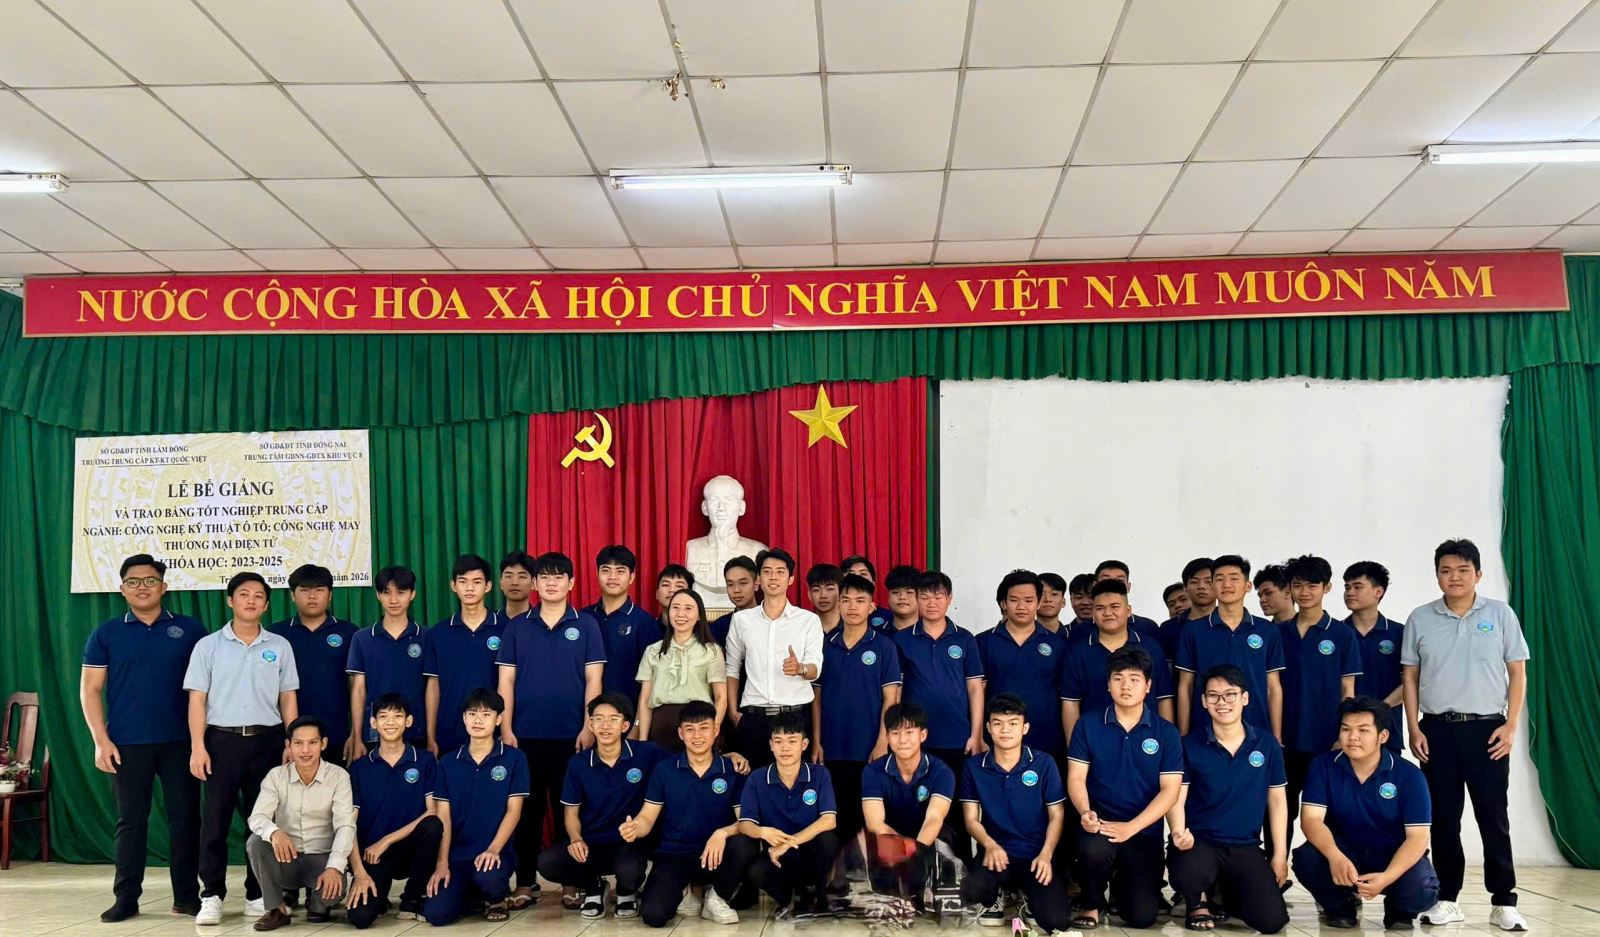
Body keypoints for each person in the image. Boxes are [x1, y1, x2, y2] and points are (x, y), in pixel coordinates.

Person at [1402, 538, 1529, 931]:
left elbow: (1517, 672)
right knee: (1443, 819)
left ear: (1478, 574)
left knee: (1493, 817)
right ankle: (1447, 898)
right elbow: (1410, 676)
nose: (1454, 577)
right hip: (1436, 730)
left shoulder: (1500, 614)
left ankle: (1504, 901)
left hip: (1488, 730)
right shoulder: (1421, 618)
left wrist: (1510, 726)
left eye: (1462, 570)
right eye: (1446, 570)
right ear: (1437, 575)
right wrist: (1414, 727)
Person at [81, 554, 206, 922]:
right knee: (130, 822)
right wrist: (100, 740)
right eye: (133, 581)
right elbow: (90, 690)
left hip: (180, 742)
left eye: (150, 581)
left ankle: (187, 897)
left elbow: (205, 687)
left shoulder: (190, 629)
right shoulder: (106, 633)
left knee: (185, 819)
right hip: (126, 744)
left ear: (163, 587)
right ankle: (126, 899)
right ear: (122, 589)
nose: (142, 587)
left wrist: (201, 741)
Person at [184, 571, 300, 926]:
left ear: (266, 604)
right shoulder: (208, 646)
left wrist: (291, 741)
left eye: (258, 595)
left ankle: (256, 893)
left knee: (262, 821)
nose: (251, 600)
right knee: (215, 822)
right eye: (244, 594)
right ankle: (212, 895)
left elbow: (288, 697)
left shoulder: (279, 646)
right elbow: (197, 700)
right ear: (230, 600)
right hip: (222, 741)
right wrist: (198, 746)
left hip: (267, 742)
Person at [495, 550, 606, 907]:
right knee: (526, 813)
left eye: (559, 577)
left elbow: (594, 680)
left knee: (567, 810)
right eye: (544, 577)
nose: (551, 583)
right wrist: (506, 727)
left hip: (572, 736)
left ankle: (570, 882)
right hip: (524, 735)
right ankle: (525, 883)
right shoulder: (517, 627)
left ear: (571, 583)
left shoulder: (586, 625)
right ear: (535, 584)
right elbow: (506, 681)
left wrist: (589, 725)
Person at [1294, 697, 1439, 929]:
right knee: (1306, 858)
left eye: (1363, 730)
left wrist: (1388, 877)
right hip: (1345, 853)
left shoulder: (1409, 775)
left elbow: (1418, 837)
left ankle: (1399, 911)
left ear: (1383, 736)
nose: (1352, 737)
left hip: (1391, 854)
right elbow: (1311, 820)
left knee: (1422, 887)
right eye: (1346, 729)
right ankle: (1340, 907)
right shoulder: (1323, 766)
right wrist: (1335, 856)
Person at [1167, 665, 1290, 933]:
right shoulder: (1189, 745)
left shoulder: (1266, 745)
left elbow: (1278, 802)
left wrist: (1280, 855)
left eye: (1230, 695)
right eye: (1213, 695)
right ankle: (1197, 902)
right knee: (1190, 870)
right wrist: (1178, 832)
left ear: (1245, 698)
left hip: (1244, 845)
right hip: (1200, 841)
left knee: (1272, 921)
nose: (1221, 702)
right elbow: (1176, 797)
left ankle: (1224, 895)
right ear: (1203, 701)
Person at [1067, 647, 1183, 930]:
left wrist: (1132, 827)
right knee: (1092, 852)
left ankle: (1122, 887)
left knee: (1142, 917)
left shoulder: (1166, 732)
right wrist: (1085, 811)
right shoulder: (1088, 725)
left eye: (1134, 679)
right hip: (1101, 824)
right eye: (1118, 678)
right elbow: (1076, 778)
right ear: (1108, 684)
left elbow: (1170, 791)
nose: (1126, 686)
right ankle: (1092, 902)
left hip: (1143, 830)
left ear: (1148, 686)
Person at [538, 694, 669, 919]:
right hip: (592, 841)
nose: (605, 726)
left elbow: (685, 760)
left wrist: (728, 756)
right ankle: (594, 888)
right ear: (590, 724)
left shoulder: (647, 753)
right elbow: (570, 812)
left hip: (629, 842)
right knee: (547, 863)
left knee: (630, 870)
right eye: (598, 719)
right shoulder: (578, 763)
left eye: (613, 719)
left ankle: (627, 892)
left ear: (625, 725)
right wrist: (575, 838)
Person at [632, 700, 759, 927]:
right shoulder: (665, 769)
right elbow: (647, 817)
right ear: (680, 733)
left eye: (704, 728)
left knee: (745, 843)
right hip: (675, 854)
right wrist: (634, 827)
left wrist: (722, 833)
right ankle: (683, 893)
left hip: (716, 856)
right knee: (654, 916)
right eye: (690, 729)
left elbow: (745, 821)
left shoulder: (732, 770)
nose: (697, 736)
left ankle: (716, 898)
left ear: (715, 730)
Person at [810, 573, 902, 878]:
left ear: (871, 607)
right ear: (838, 604)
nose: (852, 607)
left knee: (869, 813)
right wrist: (817, 741)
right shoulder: (824, 645)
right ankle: (838, 879)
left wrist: (882, 741)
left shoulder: (885, 647)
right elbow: (816, 699)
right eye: (846, 600)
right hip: (833, 746)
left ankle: (871, 877)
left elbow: (891, 699)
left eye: (860, 601)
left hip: (869, 747)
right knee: (838, 813)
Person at [959, 694, 1071, 932]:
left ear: (1025, 728)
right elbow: (970, 819)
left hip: (1035, 855)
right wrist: (989, 844)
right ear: (988, 728)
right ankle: (995, 897)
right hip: (995, 852)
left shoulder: (1044, 763)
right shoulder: (974, 766)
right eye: (998, 723)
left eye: (1013, 723)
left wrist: (1046, 855)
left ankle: (1028, 896)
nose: (1005, 730)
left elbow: (1057, 815)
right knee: (971, 890)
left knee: (1056, 921)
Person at [423, 689, 529, 926]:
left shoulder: (514, 758)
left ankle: (496, 899)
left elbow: (514, 811)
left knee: (489, 879)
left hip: (497, 853)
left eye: (486, 714)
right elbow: (444, 817)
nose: (478, 720)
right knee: (436, 914)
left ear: (499, 719)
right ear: (464, 718)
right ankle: (471, 896)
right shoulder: (448, 762)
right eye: (472, 714)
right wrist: (442, 863)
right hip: (458, 856)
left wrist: (493, 849)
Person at [244, 717, 355, 931]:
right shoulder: (276, 776)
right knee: (256, 842)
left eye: (312, 743)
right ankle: (277, 910)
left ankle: (316, 901)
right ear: (288, 745)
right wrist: (274, 832)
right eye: (298, 743)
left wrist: (335, 867)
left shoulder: (339, 776)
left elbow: (345, 826)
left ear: (323, 744)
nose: (305, 750)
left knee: (328, 900)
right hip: (288, 858)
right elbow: (257, 817)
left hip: (322, 859)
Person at [344, 693, 445, 929]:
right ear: (373, 723)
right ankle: (379, 896)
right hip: (374, 854)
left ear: (408, 721)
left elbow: (432, 812)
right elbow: (348, 824)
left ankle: (412, 898)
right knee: (360, 918)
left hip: (411, 849)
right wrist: (359, 873)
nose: (390, 722)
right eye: (383, 717)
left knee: (432, 826)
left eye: (397, 716)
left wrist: (388, 840)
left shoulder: (425, 761)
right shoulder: (359, 767)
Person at [1282, 554, 1362, 836]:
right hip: (1285, 739)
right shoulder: (1277, 633)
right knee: (1281, 809)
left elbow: (1348, 690)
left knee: (1329, 812)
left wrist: (1344, 733)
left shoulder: (1342, 634)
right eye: (1297, 585)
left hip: (1326, 739)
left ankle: (1330, 863)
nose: (1304, 592)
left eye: (1312, 585)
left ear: (1327, 587)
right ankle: (1276, 862)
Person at [725, 548, 824, 767]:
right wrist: (733, 711)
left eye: (780, 572)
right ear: (758, 579)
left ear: (790, 579)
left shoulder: (808, 620)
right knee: (752, 780)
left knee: (794, 782)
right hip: (754, 718)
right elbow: (731, 667)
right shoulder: (742, 620)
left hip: (795, 716)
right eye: (767, 571)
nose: (773, 577)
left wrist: (800, 668)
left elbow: (815, 668)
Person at [738, 711, 841, 914]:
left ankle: (819, 895)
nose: (785, 747)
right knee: (756, 871)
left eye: (792, 741)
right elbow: (745, 824)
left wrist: (789, 842)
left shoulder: (819, 774)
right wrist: (763, 832)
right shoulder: (757, 779)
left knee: (828, 841)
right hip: (779, 857)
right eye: (778, 741)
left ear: (804, 744)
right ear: (771, 745)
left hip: (811, 854)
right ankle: (789, 902)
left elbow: (829, 820)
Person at [1175, 554, 1284, 739]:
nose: (1226, 584)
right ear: (1213, 586)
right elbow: (1186, 686)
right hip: (1204, 730)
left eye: (1234, 578)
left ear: (1247, 586)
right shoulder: (1193, 631)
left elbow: (1273, 688)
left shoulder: (1267, 630)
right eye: (1219, 579)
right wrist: (1184, 736)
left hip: (1257, 729)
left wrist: (1276, 737)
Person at [861, 702, 957, 899]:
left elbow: (934, 818)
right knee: (887, 893)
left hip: (927, 836)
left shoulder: (941, 772)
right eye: (895, 733)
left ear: (923, 735)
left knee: (941, 844)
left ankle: (937, 886)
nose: (902, 740)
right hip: (891, 835)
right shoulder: (873, 772)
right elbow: (874, 823)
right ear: (887, 737)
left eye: (909, 732)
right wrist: (901, 850)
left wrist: (915, 856)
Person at [895, 570, 984, 778]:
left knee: (955, 793)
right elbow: (896, 691)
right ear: (917, 599)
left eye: (938, 597)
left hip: (957, 737)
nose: (931, 603)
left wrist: (977, 735)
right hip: (914, 736)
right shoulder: (901, 639)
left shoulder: (965, 639)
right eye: (925, 597)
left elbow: (975, 689)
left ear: (949, 598)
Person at [1062, 579, 1174, 743]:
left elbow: (1164, 697)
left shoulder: (1151, 647)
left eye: (1114, 607)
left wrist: (1167, 742)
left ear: (1128, 611)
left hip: (1147, 740)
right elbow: (1071, 703)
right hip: (1095, 741)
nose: (1107, 613)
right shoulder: (1078, 652)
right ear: (1093, 613)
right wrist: (1075, 747)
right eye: (1100, 608)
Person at [975, 569, 1069, 761]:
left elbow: (1067, 696)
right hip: (998, 738)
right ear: (1003, 603)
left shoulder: (1058, 645)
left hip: (1047, 739)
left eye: (1028, 600)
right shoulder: (983, 642)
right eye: (1014, 600)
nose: (1021, 606)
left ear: (1038, 603)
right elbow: (976, 692)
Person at [269, 564, 358, 764]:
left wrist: (355, 733)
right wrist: (288, 739)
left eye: (319, 590)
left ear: (330, 595)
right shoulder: (276, 634)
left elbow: (356, 687)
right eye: (304, 590)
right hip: (288, 737)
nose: (312, 596)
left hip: (336, 733)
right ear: (292, 595)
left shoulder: (349, 632)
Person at [423, 554, 508, 757]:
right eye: (463, 581)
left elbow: (510, 684)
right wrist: (430, 736)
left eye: (476, 582)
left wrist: (506, 730)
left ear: (488, 586)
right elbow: (433, 687)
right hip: (448, 734)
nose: (469, 588)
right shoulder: (438, 633)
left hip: (494, 734)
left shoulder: (507, 630)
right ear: (453, 585)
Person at [347, 565, 426, 757]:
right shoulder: (362, 638)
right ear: (378, 595)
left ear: (412, 594)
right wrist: (356, 736)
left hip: (417, 729)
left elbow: (433, 689)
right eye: (386, 592)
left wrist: (432, 736)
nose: (393, 600)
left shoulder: (427, 637)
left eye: (401, 592)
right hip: (375, 731)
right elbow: (358, 690)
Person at [636, 588, 729, 747]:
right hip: (661, 726)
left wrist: (713, 730)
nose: (680, 614)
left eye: (688, 608)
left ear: (699, 615)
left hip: (698, 726)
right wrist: (643, 740)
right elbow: (645, 700)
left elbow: (721, 698)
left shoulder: (712, 651)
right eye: (676, 607)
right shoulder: (653, 651)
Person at [586, 545, 665, 701]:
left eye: (620, 571)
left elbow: (654, 677)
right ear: (597, 574)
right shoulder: (583, 618)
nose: (612, 577)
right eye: (606, 570)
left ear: (632, 577)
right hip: (586, 711)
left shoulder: (645, 622)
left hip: (628, 710)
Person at [1343, 560, 1405, 753]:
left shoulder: (1399, 633)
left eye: (1357, 587)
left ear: (1378, 591)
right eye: (1347, 587)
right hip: (1345, 732)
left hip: (1387, 728)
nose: (1350, 592)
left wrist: (1381, 709)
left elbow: (1411, 682)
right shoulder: (1337, 633)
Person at [1157, 557, 1215, 663]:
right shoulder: (1168, 628)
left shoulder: (1232, 623)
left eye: (1208, 581)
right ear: (1185, 588)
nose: (1201, 586)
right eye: (1195, 582)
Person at [1094, 560, 1160, 640]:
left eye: (1119, 581)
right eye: (1106, 580)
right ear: (1094, 585)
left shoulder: (1148, 627)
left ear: (1128, 587)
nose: (1113, 584)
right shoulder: (1082, 629)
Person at [710, 555, 759, 646]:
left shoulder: (770, 621)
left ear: (756, 584)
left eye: (743, 583)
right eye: (730, 584)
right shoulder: (719, 627)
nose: (736, 590)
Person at [841, 554, 896, 629]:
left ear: (873, 583)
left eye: (863, 574)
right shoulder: (833, 617)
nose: (857, 578)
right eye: (851, 574)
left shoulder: (888, 617)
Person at [806, 562, 844, 634]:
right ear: (809, 595)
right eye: (816, 590)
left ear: (841, 592)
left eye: (830, 589)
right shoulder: (802, 627)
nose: (823, 595)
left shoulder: (852, 627)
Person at [498, 550, 535, 621]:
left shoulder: (541, 623)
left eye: (521, 577)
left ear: (533, 583)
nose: (514, 582)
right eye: (509, 576)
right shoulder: (491, 621)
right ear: (501, 583)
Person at [884, 564, 923, 631]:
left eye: (909, 592)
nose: (902, 597)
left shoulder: (931, 633)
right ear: (888, 597)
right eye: (895, 592)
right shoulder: (876, 633)